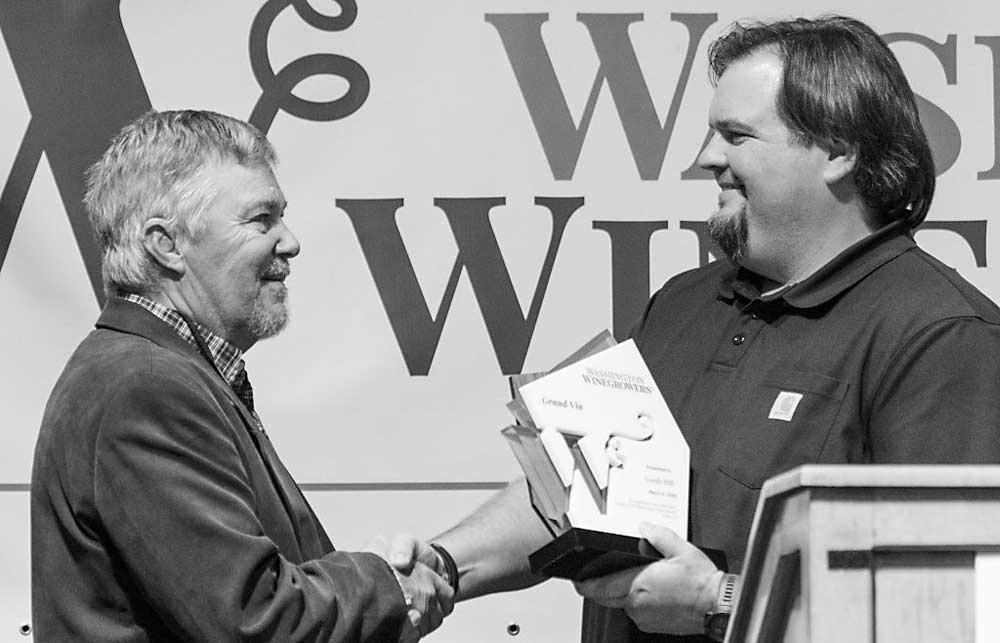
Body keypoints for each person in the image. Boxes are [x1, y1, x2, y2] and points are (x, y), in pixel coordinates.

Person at [388, 15, 1000, 643]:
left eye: (735, 135)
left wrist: (721, 600)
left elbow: (954, 601)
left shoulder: (942, 336)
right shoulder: (684, 303)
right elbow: (574, 490)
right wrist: (444, 569)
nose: (708, 158)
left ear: (840, 151)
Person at [30, 110, 455, 642]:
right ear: (167, 244)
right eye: (262, 219)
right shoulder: (144, 388)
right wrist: (387, 586)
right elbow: (255, 621)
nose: (291, 241)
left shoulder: (162, 374)